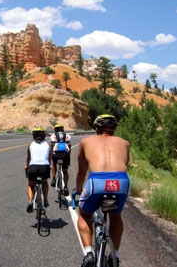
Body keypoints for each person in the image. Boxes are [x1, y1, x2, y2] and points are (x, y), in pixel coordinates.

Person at [74, 114, 130, 267]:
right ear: (113, 129)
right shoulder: (124, 143)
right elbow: (125, 163)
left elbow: (81, 171)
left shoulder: (86, 141)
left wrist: (78, 190)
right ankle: (115, 256)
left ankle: (88, 253)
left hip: (97, 181)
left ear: (96, 128)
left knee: (84, 213)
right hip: (121, 181)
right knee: (116, 215)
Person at [24, 126, 52, 213]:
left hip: (33, 168)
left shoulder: (30, 144)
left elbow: (29, 159)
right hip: (44, 167)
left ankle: (30, 201)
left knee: (31, 185)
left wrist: (27, 166)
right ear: (44, 135)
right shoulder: (48, 144)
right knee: (44, 182)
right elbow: (49, 159)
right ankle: (46, 200)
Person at [49, 124, 71, 196]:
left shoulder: (53, 136)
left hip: (56, 155)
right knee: (65, 172)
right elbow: (69, 146)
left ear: (55, 130)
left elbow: (51, 147)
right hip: (65, 155)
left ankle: (54, 178)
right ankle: (66, 187)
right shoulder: (67, 136)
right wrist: (68, 157)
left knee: (53, 163)